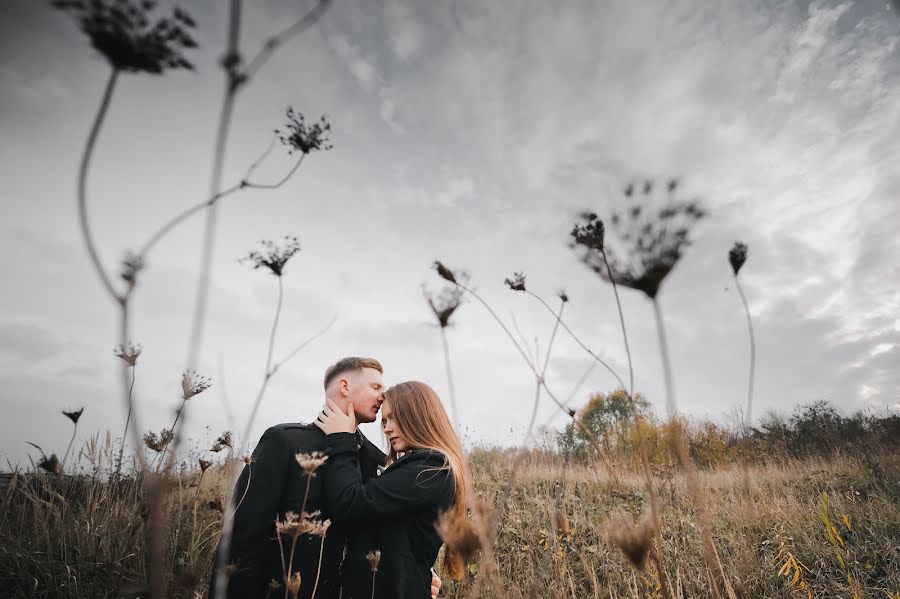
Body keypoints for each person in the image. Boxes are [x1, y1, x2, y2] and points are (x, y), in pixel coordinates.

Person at [208, 357, 441, 599]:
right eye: (375, 387)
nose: (383, 395)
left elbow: (389, 532)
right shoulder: (286, 442)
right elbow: (242, 539)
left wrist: (420, 573)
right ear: (344, 387)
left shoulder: (378, 460)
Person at [315, 380, 470, 599]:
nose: (387, 428)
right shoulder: (426, 468)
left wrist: (341, 438)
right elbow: (403, 538)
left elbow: (349, 502)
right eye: (384, 420)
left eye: (394, 418)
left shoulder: (431, 470)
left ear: (418, 416)